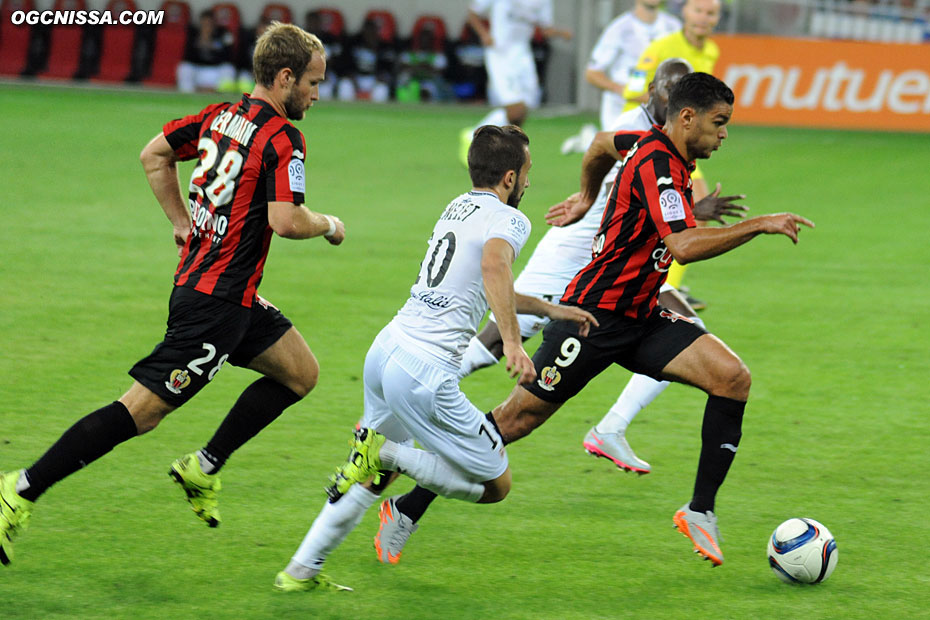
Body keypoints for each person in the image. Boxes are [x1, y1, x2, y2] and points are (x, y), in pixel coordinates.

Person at [374, 72, 814, 568]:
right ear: (686, 118)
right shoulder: (658, 165)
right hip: (591, 318)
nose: (724, 134)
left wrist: (586, 195)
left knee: (733, 378)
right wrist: (760, 224)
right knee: (514, 421)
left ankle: (700, 511)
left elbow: (602, 144)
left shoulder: (651, 145)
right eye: (719, 123)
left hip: (643, 315)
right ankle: (405, 508)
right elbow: (683, 244)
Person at [0, 23, 343, 567]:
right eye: (313, 83)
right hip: (214, 306)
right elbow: (286, 220)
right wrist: (328, 223)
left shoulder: (214, 118)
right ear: (284, 77)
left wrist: (183, 223)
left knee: (300, 372)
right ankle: (20, 488)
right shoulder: (283, 137)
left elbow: (153, 155)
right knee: (140, 412)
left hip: (229, 294)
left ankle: (203, 467)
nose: (316, 95)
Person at [273, 125, 598, 591]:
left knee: (367, 475)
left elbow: (488, 282)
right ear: (510, 177)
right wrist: (512, 342)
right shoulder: (511, 219)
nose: (528, 182)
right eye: (526, 172)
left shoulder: (458, 206)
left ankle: (302, 569)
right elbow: (494, 268)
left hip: (387, 349)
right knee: (495, 486)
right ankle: (386, 453)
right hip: (424, 372)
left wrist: (548, 309)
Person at [457, 58, 747, 476]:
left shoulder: (676, 143)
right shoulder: (643, 131)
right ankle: (428, 392)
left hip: (628, 271)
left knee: (695, 340)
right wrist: (586, 198)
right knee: (501, 341)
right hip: (575, 253)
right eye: (666, 88)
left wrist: (685, 208)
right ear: (655, 92)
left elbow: (633, 178)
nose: (668, 95)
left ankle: (612, 427)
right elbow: (602, 146)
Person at [622, 0, 723, 305]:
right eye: (698, 11)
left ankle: (664, 285)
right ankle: (661, 288)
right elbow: (632, 89)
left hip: (679, 137)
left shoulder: (711, 52)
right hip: (647, 132)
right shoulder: (663, 47)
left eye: (710, 13)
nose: (703, 18)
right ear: (684, 13)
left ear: (717, 18)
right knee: (683, 208)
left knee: (697, 210)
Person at [458, 0, 573, 165]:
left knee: (523, 110)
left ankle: (495, 148)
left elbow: (544, 28)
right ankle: (474, 137)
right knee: (515, 109)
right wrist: (484, 34)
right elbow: (473, 12)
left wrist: (561, 33)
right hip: (500, 53)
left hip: (523, 55)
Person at [561, 0, 680, 155]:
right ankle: (591, 141)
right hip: (622, 106)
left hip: (659, 106)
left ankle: (590, 139)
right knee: (623, 156)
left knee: (658, 156)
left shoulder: (673, 26)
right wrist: (624, 91)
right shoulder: (619, 28)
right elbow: (592, 73)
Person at [176, 9, 237, 93]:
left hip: (215, 71)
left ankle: (221, 96)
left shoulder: (224, 33)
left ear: (214, 24)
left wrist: (211, 45)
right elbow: (187, 58)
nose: (206, 26)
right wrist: (200, 42)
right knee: (184, 68)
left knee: (229, 69)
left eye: (209, 23)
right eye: (204, 24)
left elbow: (229, 57)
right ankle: (188, 95)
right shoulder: (193, 34)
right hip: (199, 70)